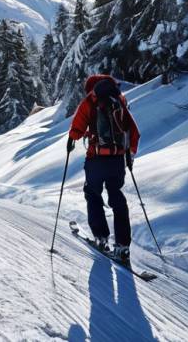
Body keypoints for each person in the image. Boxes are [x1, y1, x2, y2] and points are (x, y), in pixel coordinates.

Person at [67, 74, 139, 261]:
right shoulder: (120, 99)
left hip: (96, 159)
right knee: (116, 196)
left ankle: (101, 237)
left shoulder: (90, 101)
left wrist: (72, 139)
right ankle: (123, 245)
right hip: (117, 160)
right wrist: (129, 154)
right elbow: (133, 131)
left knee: (93, 194)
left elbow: (76, 131)